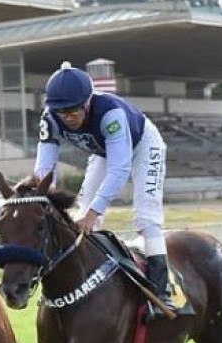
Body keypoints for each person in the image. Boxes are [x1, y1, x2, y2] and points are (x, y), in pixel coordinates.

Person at [34, 61, 176, 320]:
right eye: (61, 112)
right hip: (104, 150)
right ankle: (92, 281)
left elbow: (119, 169)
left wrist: (94, 211)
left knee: (145, 213)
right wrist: (39, 198)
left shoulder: (110, 114)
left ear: (87, 102)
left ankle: (161, 288)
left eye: (74, 111)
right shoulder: (50, 118)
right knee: (84, 209)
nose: (68, 117)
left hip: (142, 145)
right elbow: (44, 171)